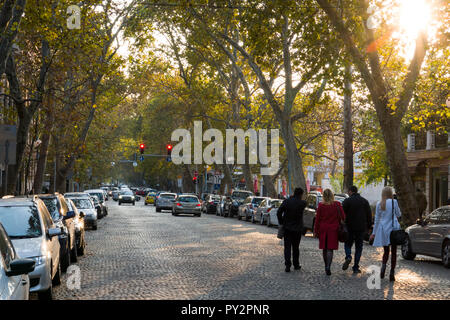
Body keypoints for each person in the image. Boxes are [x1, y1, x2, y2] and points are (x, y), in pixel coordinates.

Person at [369, 186, 401, 281]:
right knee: (394, 252)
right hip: (393, 228)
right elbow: (399, 214)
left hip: (383, 229)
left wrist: (374, 233)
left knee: (386, 251)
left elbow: (377, 220)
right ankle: (392, 272)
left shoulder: (380, 203)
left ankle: (383, 269)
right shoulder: (394, 202)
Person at [314, 189, 345, 275]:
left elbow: (317, 220)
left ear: (323, 196)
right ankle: (328, 266)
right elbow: (343, 216)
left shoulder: (321, 205)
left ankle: (325, 266)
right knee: (330, 249)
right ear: (332, 195)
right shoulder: (337, 204)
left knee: (324, 248)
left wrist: (315, 231)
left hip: (323, 229)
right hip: (334, 229)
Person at [342, 186, 372, 274]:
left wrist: (342, 224)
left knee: (347, 244)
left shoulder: (347, 201)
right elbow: (369, 215)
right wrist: (369, 227)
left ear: (350, 191)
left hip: (349, 227)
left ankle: (348, 256)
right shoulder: (364, 201)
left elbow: (342, 214)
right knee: (359, 247)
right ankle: (355, 267)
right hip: (361, 228)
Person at [277, 187, 307, 272]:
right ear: (301, 194)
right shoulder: (303, 203)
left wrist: (281, 222)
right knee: (296, 247)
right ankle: (296, 264)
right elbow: (304, 203)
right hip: (297, 228)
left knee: (287, 247)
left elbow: (279, 212)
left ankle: (287, 265)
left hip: (287, 228)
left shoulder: (287, 201)